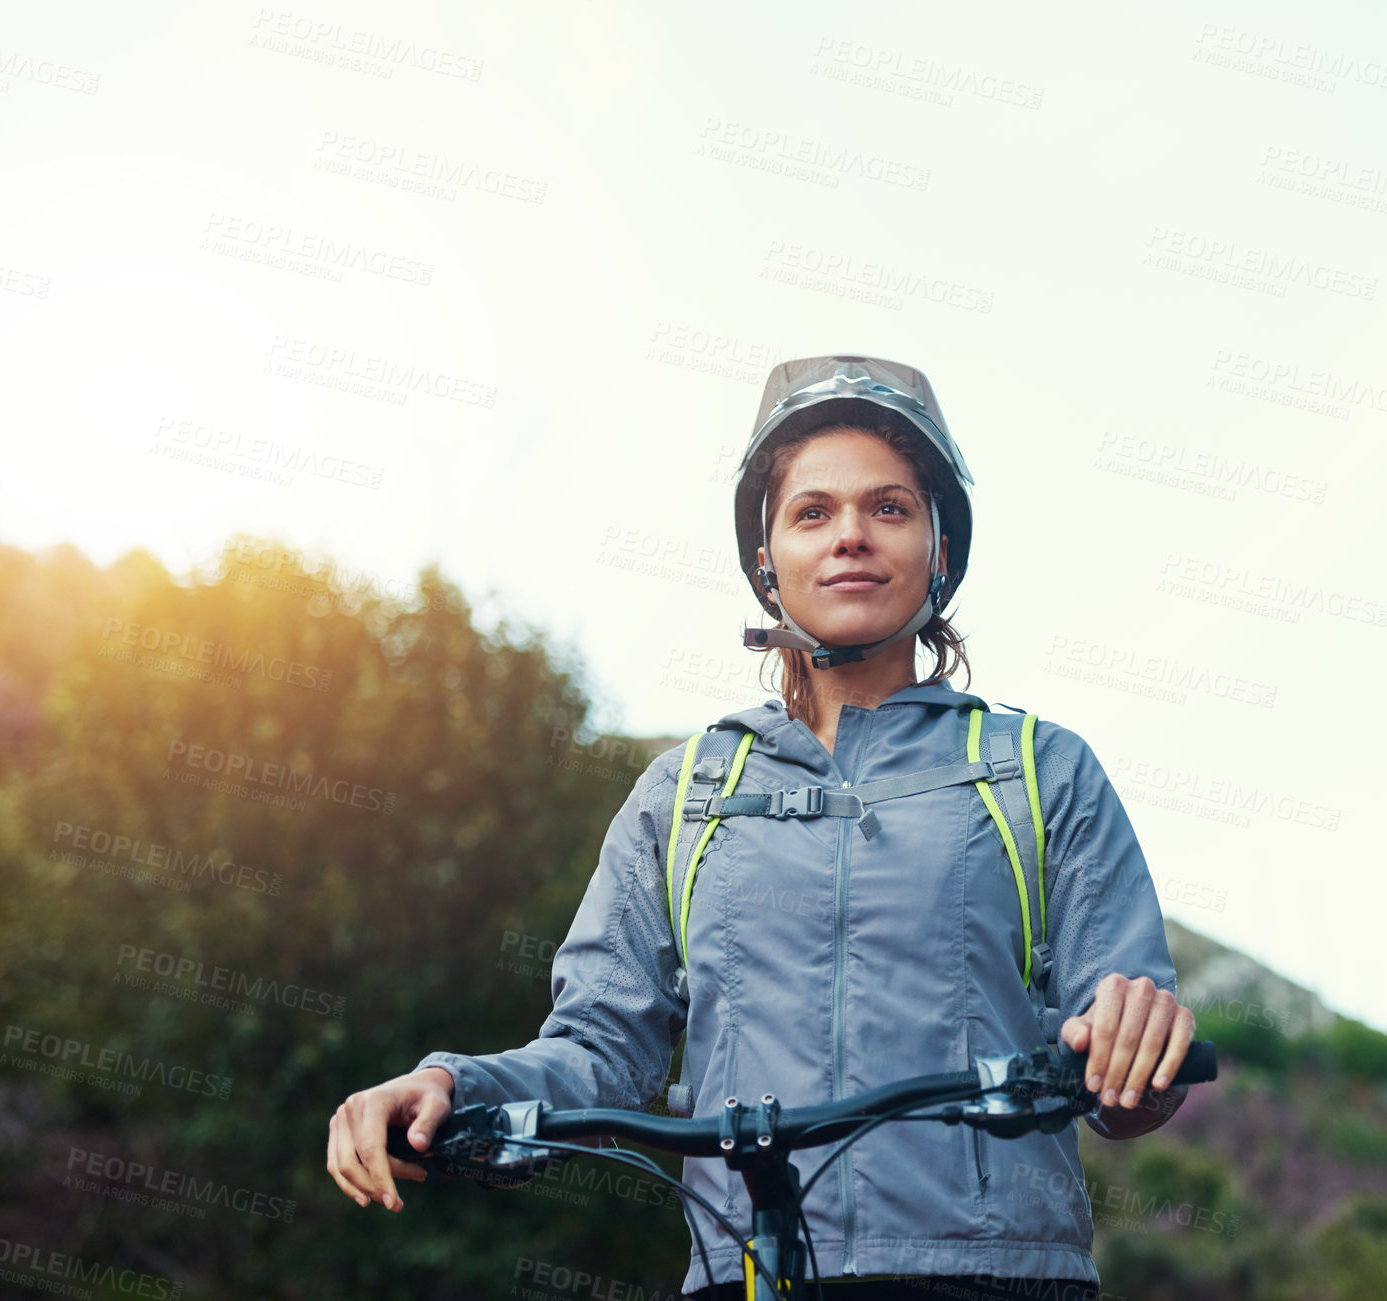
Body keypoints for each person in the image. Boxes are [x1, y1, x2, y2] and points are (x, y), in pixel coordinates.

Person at [326, 355, 1196, 1300]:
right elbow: (598, 1050)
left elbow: (1131, 1054)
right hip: (745, 1274)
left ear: (939, 551)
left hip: (994, 1276)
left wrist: (1134, 1046)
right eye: (813, 513)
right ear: (765, 561)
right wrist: (455, 1083)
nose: (851, 537)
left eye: (891, 508)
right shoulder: (686, 792)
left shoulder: (1040, 770)